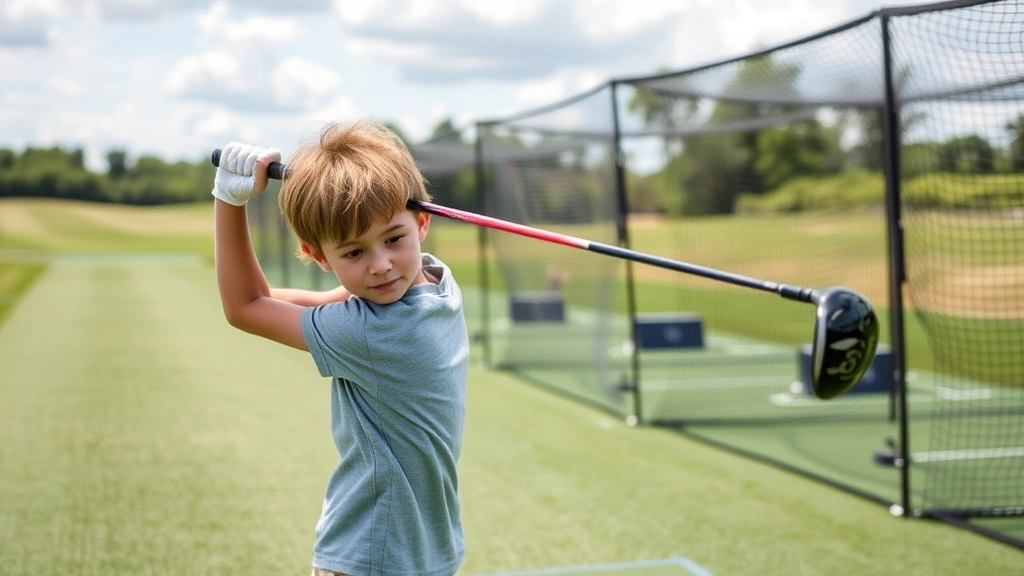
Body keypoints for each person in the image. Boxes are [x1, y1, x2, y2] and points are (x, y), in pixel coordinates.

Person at [211, 120, 470, 576]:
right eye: (354, 253)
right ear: (319, 257)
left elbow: (248, 305)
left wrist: (229, 202)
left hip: (384, 552)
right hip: (396, 553)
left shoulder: (374, 327)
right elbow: (260, 302)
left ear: (422, 222)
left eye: (393, 239)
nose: (382, 265)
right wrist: (229, 205)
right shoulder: (435, 279)